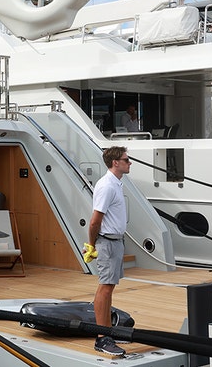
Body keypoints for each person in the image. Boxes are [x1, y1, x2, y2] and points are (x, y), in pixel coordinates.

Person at [83, 146, 131, 357]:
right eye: (126, 160)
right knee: (105, 288)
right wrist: (92, 245)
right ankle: (102, 338)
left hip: (116, 242)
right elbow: (95, 221)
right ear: (115, 163)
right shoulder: (107, 186)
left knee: (109, 287)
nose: (130, 163)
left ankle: (108, 331)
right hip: (108, 243)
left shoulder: (116, 184)